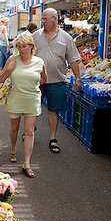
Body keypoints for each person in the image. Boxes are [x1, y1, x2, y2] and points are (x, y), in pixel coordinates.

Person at [32, 8, 81, 153]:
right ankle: (30, 131)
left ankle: (53, 139)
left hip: (57, 81)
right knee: (32, 110)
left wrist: (78, 78)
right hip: (36, 80)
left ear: (54, 19)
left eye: (46, 19)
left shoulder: (66, 38)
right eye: (43, 19)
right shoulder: (36, 35)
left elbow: (73, 59)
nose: (43, 22)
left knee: (53, 111)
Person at [0, 34, 47, 178]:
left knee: (29, 132)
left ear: (31, 46)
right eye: (19, 46)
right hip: (15, 98)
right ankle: (13, 148)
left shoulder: (39, 62)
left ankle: (27, 163)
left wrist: (32, 86)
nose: (21, 49)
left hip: (32, 99)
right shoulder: (13, 60)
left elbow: (44, 79)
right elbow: (0, 79)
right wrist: (8, 70)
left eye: (24, 46)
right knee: (14, 129)